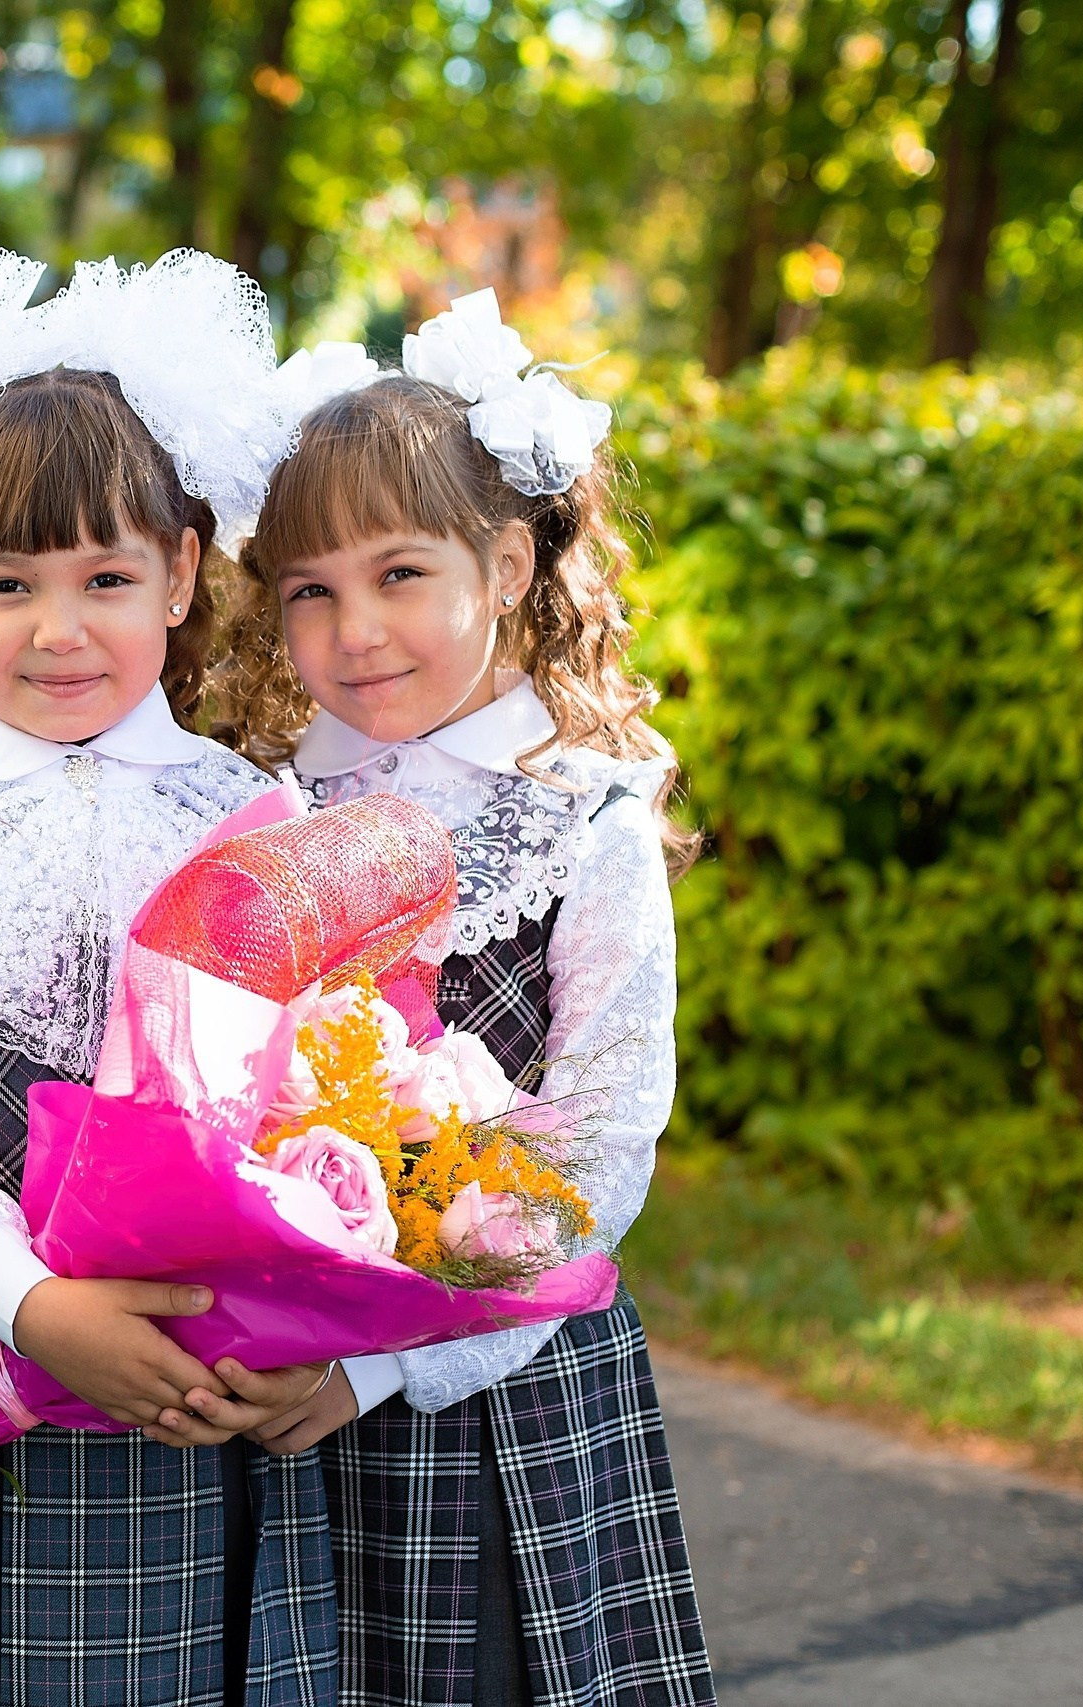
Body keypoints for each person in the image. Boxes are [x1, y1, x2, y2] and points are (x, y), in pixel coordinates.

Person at [0, 244, 340, 1707]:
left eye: (107, 576)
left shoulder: (258, 817)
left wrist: (310, 1326)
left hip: (200, 1409)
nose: (58, 626)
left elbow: (325, 1102)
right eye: (7, 580)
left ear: (184, 574)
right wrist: (35, 1310)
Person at [205, 291, 716, 1707]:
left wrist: (374, 1373)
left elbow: (598, 1156)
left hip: (484, 1387)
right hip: (270, 1391)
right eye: (310, 589)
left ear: (502, 565)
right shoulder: (264, 807)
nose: (356, 629)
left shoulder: (581, 821)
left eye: (399, 574)